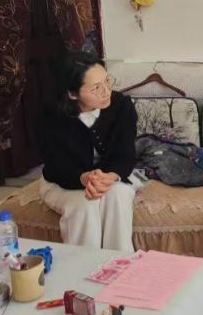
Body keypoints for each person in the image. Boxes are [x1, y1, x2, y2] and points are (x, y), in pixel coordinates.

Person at [38, 52, 141, 251]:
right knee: (84, 205)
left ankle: (120, 263)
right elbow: (55, 166)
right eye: (96, 88)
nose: (106, 91)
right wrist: (83, 178)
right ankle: (83, 266)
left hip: (110, 177)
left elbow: (125, 154)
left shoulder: (122, 106)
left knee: (118, 195)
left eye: (107, 81)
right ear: (72, 94)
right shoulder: (51, 116)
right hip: (63, 182)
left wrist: (110, 176)